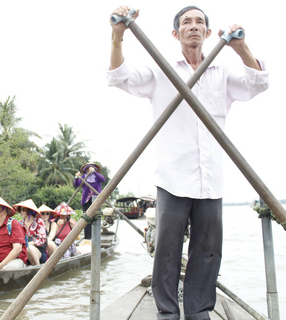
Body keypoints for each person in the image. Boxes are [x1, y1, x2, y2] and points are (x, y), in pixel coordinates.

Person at [108, 5, 269, 320]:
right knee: (167, 253)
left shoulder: (221, 74)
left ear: (208, 33)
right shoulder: (161, 69)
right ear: (175, 33)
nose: (193, 26)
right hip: (172, 177)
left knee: (208, 253)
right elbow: (119, 77)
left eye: (199, 22)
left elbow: (259, 83)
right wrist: (118, 34)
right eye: (186, 22)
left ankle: (199, 312)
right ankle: (167, 313)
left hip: (212, 180)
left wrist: (240, 48)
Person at [73, 163, 105, 239]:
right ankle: (87, 237)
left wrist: (94, 172)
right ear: (86, 170)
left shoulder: (97, 177)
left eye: (91, 168)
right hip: (86, 200)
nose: (89, 170)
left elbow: (103, 179)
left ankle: (96, 236)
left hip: (96, 200)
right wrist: (77, 177)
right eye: (88, 169)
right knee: (86, 219)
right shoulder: (84, 177)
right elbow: (76, 184)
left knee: (96, 217)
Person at [14, 199, 48, 265]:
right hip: (23, 249)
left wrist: (30, 243)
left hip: (39, 251)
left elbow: (42, 240)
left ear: (30, 211)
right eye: (21, 210)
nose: (22, 212)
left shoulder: (39, 221)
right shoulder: (20, 223)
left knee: (29, 248)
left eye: (24, 210)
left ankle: (37, 269)